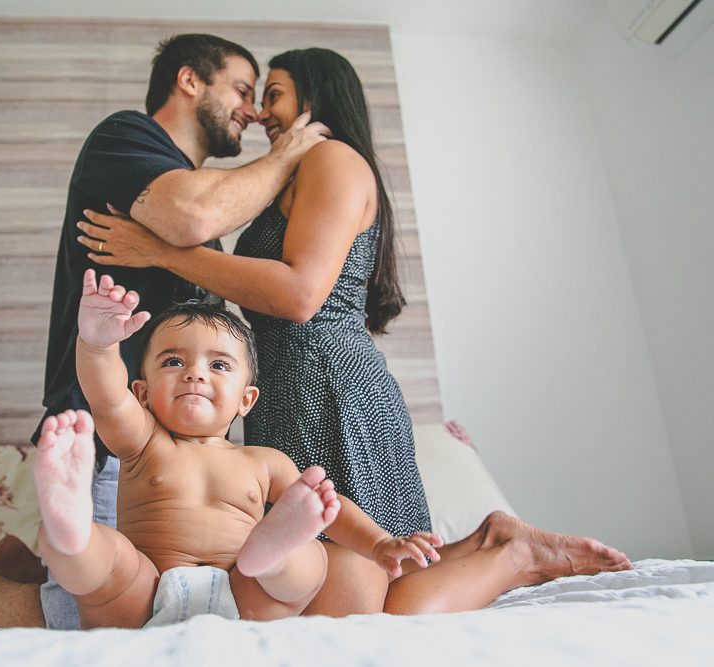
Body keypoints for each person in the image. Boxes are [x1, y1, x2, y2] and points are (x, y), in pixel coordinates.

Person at [75, 47, 634, 616]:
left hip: (329, 386)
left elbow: (299, 295)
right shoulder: (293, 174)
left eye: (274, 95)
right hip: (288, 388)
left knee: (365, 595)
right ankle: (490, 541)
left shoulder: (334, 160)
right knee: (330, 582)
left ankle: (509, 556)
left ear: (314, 98)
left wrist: (159, 252)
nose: (263, 113)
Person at [28, 33, 329, 628]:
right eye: (243, 90)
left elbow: (199, 228)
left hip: (174, 453)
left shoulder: (192, 227)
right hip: (110, 437)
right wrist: (285, 156)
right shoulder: (126, 137)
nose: (254, 110)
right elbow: (191, 215)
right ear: (189, 81)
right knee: (84, 608)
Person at [34, 270, 443, 628]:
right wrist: (97, 346)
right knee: (110, 561)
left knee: (311, 558)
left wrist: (377, 543)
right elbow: (106, 399)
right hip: (146, 593)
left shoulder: (263, 462)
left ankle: (275, 555)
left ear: (246, 400)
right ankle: (71, 532)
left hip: (244, 592)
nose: (195, 373)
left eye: (219, 365)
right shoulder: (143, 441)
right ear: (141, 393)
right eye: (173, 362)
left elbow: (333, 509)